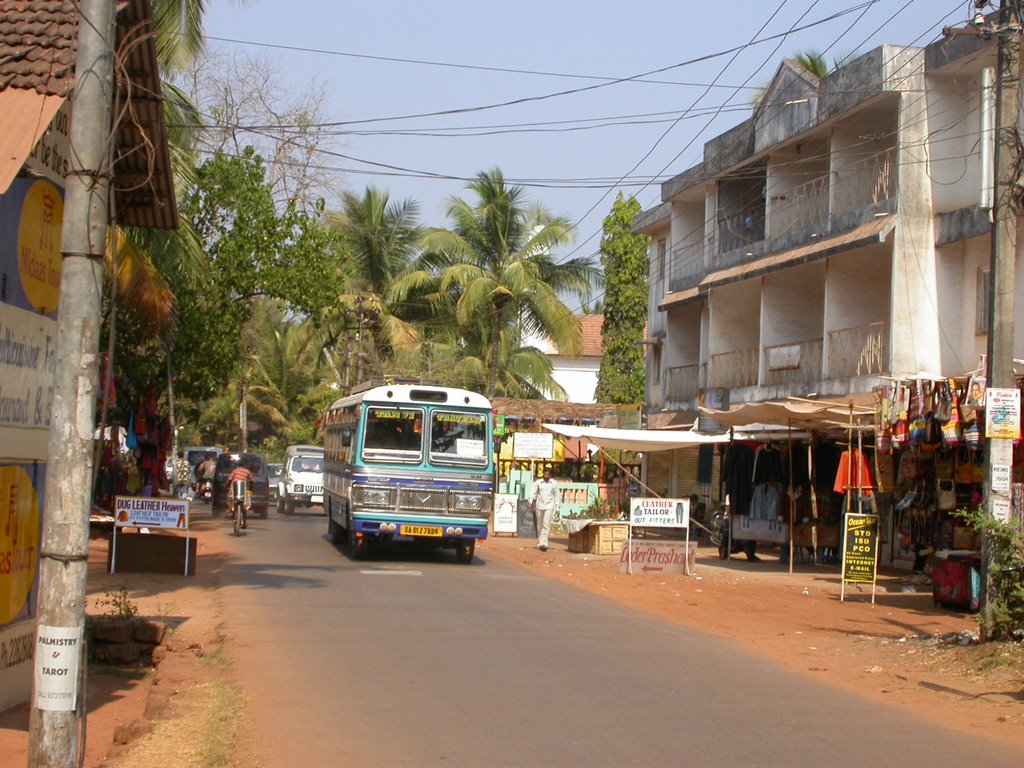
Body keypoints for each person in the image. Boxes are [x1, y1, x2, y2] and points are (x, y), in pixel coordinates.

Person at [531, 468, 559, 552]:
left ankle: (544, 543)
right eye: (545, 474)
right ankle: (539, 541)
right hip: (539, 505)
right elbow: (533, 492)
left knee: (546, 524)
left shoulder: (554, 483)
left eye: (548, 475)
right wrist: (530, 501)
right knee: (539, 524)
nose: (546, 476)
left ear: (550, 476)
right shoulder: (538, 483)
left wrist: (557, 507)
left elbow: (557, 495)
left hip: (549, 506)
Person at [227, 460, 254, 529]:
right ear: (245, 465)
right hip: (243, 489)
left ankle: (232, 510)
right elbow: (251, 481)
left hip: (233, 488)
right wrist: (251, 489)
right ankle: (244, 522)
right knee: (245, 504)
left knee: (229, 500)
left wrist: (225, 487)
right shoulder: (247, 471)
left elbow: (229, 480)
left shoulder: (235, 471)